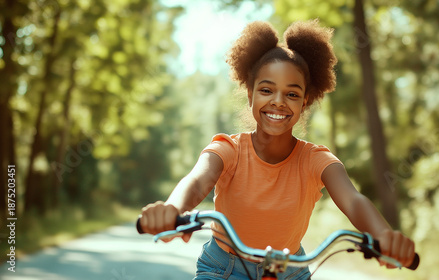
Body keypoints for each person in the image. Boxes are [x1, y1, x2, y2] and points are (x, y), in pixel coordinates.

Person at [139, 19, 416, 279]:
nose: (278, 102)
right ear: (250, 94)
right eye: (266, 90)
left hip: (291, 270)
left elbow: (353, 200)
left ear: (305, 101)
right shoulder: (229, 149)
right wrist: (172, 209)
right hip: (224, 268)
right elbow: (198, 181)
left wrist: (383, 235)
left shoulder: (315, 159)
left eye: (292, 94)